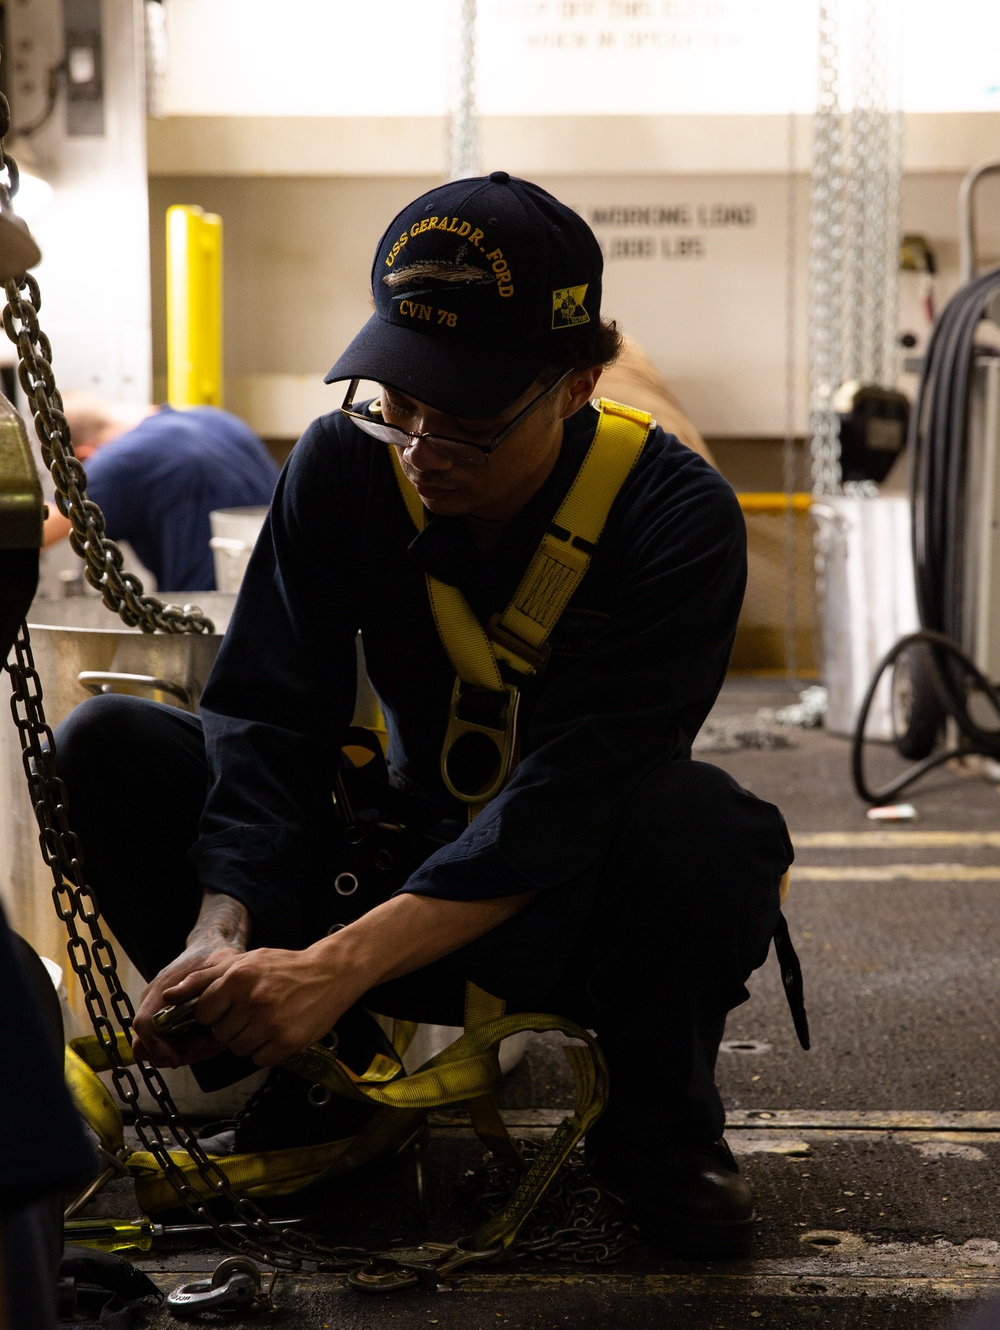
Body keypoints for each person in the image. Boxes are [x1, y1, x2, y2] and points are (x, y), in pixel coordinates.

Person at [53, 173, 794, 1257]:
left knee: (701, 827)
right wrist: (227, 928)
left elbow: (572, 795)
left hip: (570, 901)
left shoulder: (674, 517)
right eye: (398, 405)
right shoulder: (343, 467)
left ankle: (656, 1126)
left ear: (577, 383)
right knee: (112, 745)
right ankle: (320, 1074)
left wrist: (338, 963)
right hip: (391, 854)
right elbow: (267, 715)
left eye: (468, 425)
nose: (420, 451)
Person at [43, 395, 280, 590]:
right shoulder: (217, 420)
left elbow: (37, 533)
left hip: (215, 623)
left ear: (83, 457)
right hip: (285, 599)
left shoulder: (118, 460)